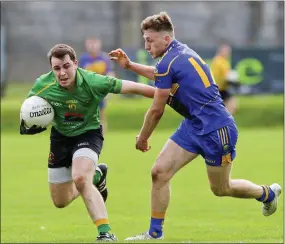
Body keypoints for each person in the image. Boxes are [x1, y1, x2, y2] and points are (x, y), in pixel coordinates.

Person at [109, 12, 282, 241]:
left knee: (221, 189)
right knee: (159, 173)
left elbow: (156, 110)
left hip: (216, 130)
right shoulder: (176, 54)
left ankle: (267, 193)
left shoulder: (170, 60)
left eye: (150, 40)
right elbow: (160, 74)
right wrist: (130, 65)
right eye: (145, 40)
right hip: (193, 126)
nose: (146, 45)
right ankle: (154, 234)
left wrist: (142, 137)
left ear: (166, 40)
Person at [20, 44, 155, 242]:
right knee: (60, 201)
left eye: (66, 66)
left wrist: (168, 96)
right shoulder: (43, 84)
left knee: (80, 177)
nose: (62, 73)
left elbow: (133, 87)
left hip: (88, 134)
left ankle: (105, 233)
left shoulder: (93, 81)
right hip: (60, 138)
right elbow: (29, 109)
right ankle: (97, 177)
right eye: (57, 68)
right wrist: (28, 123)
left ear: (75, 63)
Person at [79, 37, 115, 134]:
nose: (92, 46)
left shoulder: (104, 58)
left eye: (95, 43)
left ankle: (101, 135)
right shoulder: (83, 59)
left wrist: (110, 89)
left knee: (101, 115)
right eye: (90, 43)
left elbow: (110, 73)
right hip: (87, 92)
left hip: (99, 91)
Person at [211, 43, 239, 115]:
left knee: (231, 106)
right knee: (231, 105)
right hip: (219, 88)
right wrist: (228, 79)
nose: (228, 54)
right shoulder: (217, 61)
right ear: (221, 51)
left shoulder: (224, 61)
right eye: (226, 51)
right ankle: (225, 121)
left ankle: (224, 121)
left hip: (223, 88)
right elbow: (216, 76)